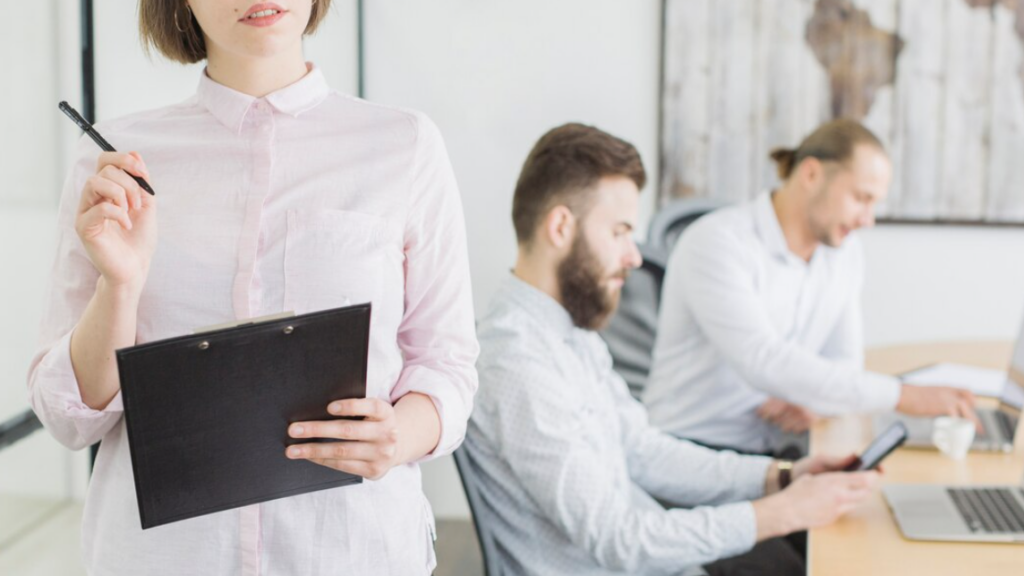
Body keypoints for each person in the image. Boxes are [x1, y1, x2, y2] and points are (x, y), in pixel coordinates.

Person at [27, 1, 478, 574]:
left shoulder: (404, 145)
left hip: (350, 551)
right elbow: (68, 417)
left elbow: (447, 362)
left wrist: (402, 434)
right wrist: (121, 284)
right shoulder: (114, 163)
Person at [462, 123, 878, 576]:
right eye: (620, 232)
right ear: (561, 227)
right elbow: (620, 540)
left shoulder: (571, 335)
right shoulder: (518, 364)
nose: (635, 256)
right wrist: (784, 511)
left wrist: (782, 477)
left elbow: (642, 451)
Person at [643, 119, 977, 456]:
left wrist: (816, 400)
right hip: (689, 450)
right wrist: (905, 396)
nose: (868, 219)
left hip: (778, 448)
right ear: (811, 174)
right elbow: (763, 360)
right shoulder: (717, 242)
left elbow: (844, 363)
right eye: (861, 198)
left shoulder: (843, 253)